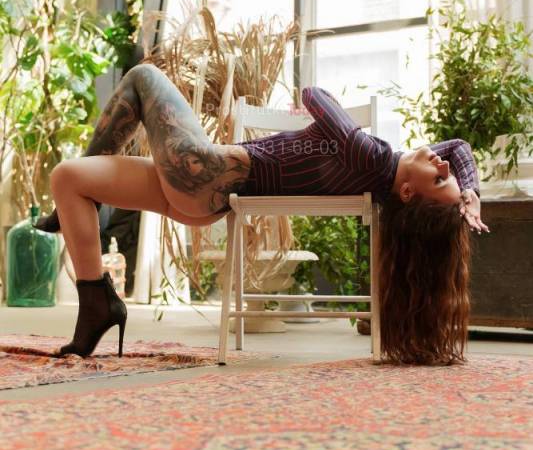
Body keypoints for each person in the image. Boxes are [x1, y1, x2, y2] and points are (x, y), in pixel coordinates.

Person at [34, 63, 488, 364]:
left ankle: (88, 278)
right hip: (202, 192)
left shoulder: (373, 158)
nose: (444, 164)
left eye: (440, 180)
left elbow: (314, 95)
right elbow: (460, 148)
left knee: (143, 76)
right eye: (447, 174)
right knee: (69, 179)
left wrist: (350, 133)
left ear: (407, 193)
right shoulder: (382, 169)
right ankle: (97, 303)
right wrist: (469, 192)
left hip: (202, 171)